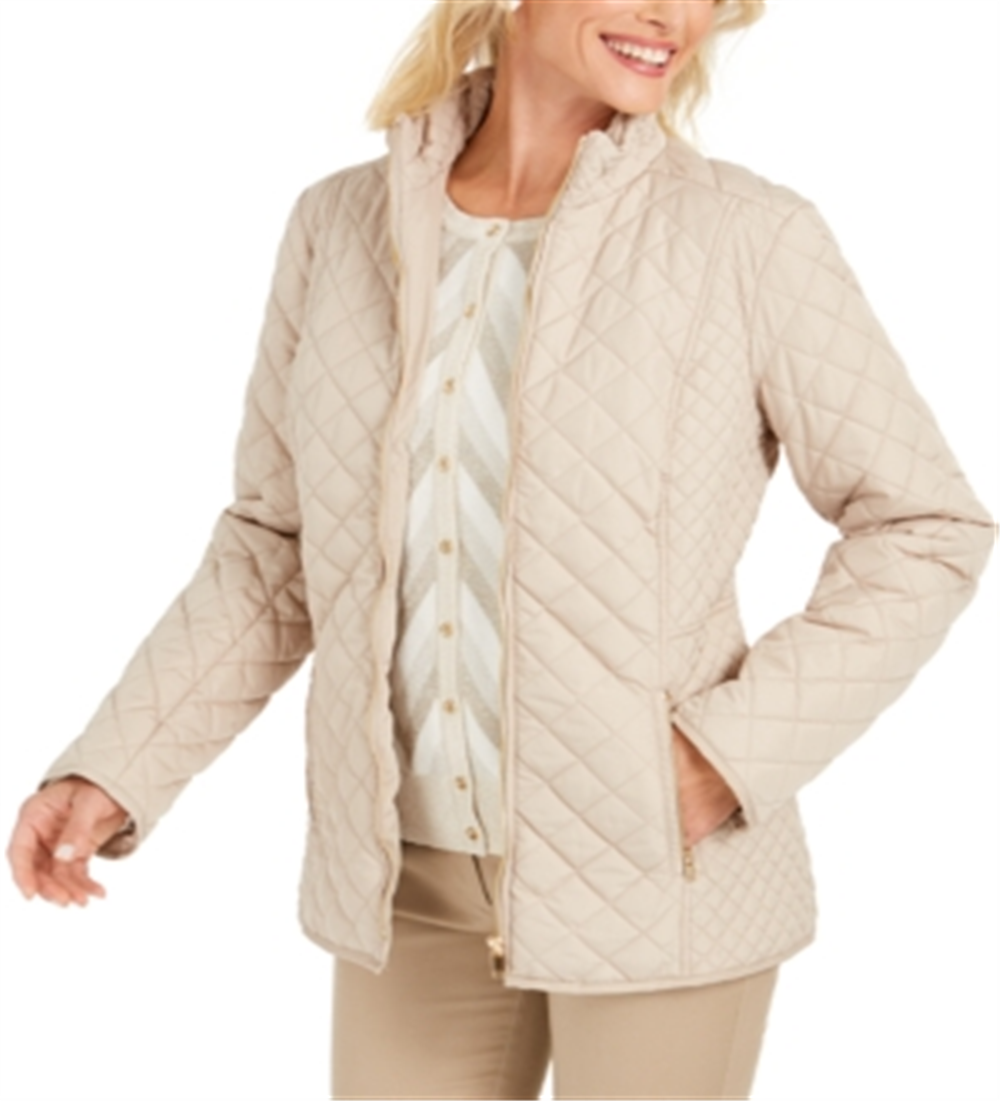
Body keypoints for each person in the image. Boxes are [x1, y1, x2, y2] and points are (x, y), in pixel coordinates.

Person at [6, 1, 995, 1097]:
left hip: (652, 875)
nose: (674, 16)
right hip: (403, 880)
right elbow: (279, 548)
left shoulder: (744, 236)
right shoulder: (339, 225)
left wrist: (724, 756)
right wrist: (116, 766)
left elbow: (924, 524)